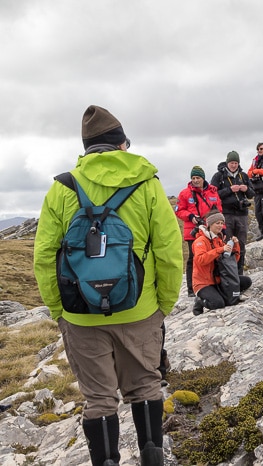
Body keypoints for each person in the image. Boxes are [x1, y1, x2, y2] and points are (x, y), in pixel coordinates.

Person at [33, 105, 183, 465]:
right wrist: (163, 303)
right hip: (140, 308)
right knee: (146, 386)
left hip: (80, 313)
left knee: (99, 400)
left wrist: (60, 311)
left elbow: (44, 257)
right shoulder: (147, 183)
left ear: (86, 149)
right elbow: (168, 249)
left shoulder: (62, 188)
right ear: (121, 145)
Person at [191, 209, 252, 315]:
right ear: (209, 224)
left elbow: (231, 262)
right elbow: (200, 260)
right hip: (203, 283)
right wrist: (220, 250)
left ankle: (224, 295)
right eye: (217, 223)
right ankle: (199, 301)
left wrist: (235, 246)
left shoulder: (219, 240)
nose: (220, 226)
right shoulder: (200, 241)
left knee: (246, 281)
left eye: (222, 223)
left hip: (219, 280)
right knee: (218, 304)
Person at [175, 166, 222, 297]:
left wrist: (219, 228)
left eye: (198, 178)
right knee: (193, 258)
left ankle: (211, 283)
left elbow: (218, 210)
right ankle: (191, 288)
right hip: (192, 231)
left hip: (210, 230)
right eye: (193, 178)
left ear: (203, 178)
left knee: (211, 256)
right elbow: (178, 210)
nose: (195, 180)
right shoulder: (185, 193)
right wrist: (190, 217)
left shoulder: (212, 192)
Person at [210, 150, 253, 275]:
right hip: (226, 214)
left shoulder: (243, 176)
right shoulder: (219, 176)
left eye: (236, 163)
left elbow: (252, 194)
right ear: (227, 162)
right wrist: (229, 190)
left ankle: (239, 273)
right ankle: (227, 272)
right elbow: (213, 194)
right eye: (231, 163)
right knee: (226, 242)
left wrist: (247, 189)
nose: (234, 165)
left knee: (241, 243)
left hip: (242, 214)